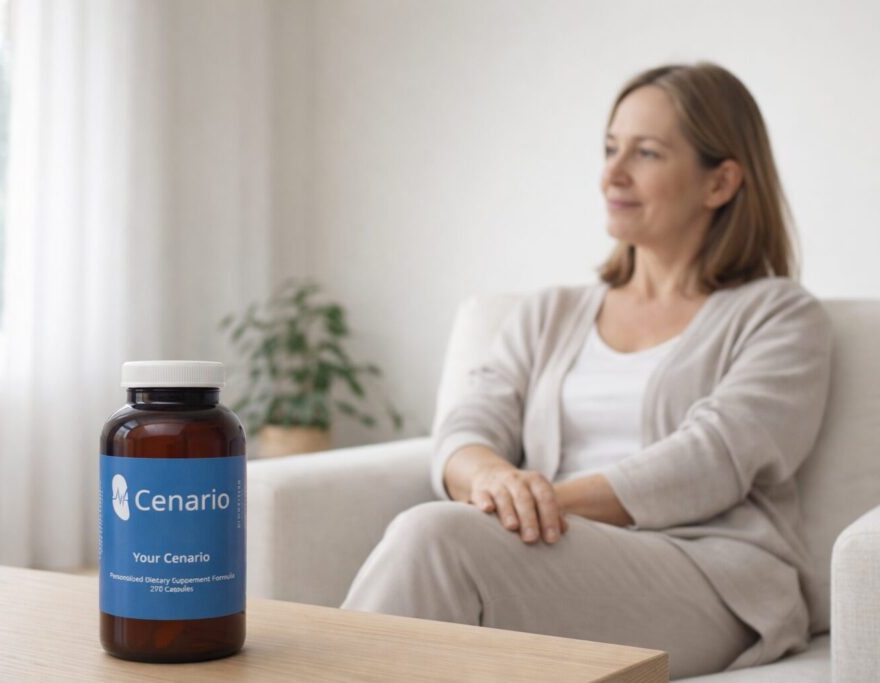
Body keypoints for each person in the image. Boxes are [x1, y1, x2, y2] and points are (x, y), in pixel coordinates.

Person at [341, 62, 833, 679]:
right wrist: (493, 476)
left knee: (436, 537)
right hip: (549, 548)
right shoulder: (549, 312)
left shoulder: (779, 315)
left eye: (647, 152)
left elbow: (714, 459)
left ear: (721, 182)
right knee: (437, 543)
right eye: (609, 148)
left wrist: (530, 504)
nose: (611, 174)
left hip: (709, 575)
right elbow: (468, 424)